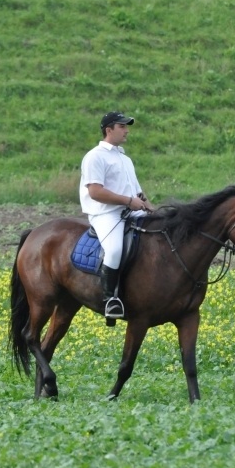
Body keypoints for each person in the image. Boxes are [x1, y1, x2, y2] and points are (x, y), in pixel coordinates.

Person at [80, 111, 152, 319]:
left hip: (132, 211)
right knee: (113, 250)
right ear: (108, 129)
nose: (126, 130)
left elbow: (138, 192)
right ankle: (110, 299)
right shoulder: (95, 156)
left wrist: (153, 210)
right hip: (106, 214)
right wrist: (129, 201)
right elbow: (95, 191)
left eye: (126, 126)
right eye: (122, 127)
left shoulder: (124, 158)